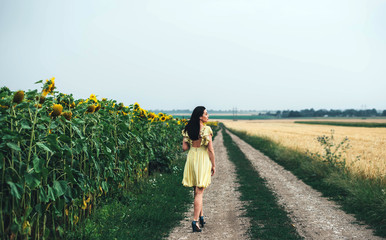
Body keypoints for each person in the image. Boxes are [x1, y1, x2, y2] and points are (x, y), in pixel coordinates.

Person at [181, 106, 216, 232]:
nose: (208, 116)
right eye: (206, 114)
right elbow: (210, 150)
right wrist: (213, 164)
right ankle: (195, 222)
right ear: (200, 116)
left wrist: (186, 141)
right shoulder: (207, 130)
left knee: (196, 191)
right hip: (202, 158)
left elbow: (184, 148)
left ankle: (201, 217)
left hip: (191, 158)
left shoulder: (188, 129)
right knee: (200, 191)